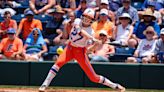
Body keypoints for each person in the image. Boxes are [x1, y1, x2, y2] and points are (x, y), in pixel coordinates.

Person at [38, 8, 125, 92]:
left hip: (80, 52)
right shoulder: (77, 21)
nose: (86, 19)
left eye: (89, 18)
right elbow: (80, 31)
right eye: (85, 17)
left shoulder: (92, 32)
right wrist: (92, 38)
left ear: (92, 20)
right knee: (58, 64)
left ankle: (115, 85)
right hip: (70, 48)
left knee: (93, 78)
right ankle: (44, 84)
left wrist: (95, 44)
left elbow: (89, 50)